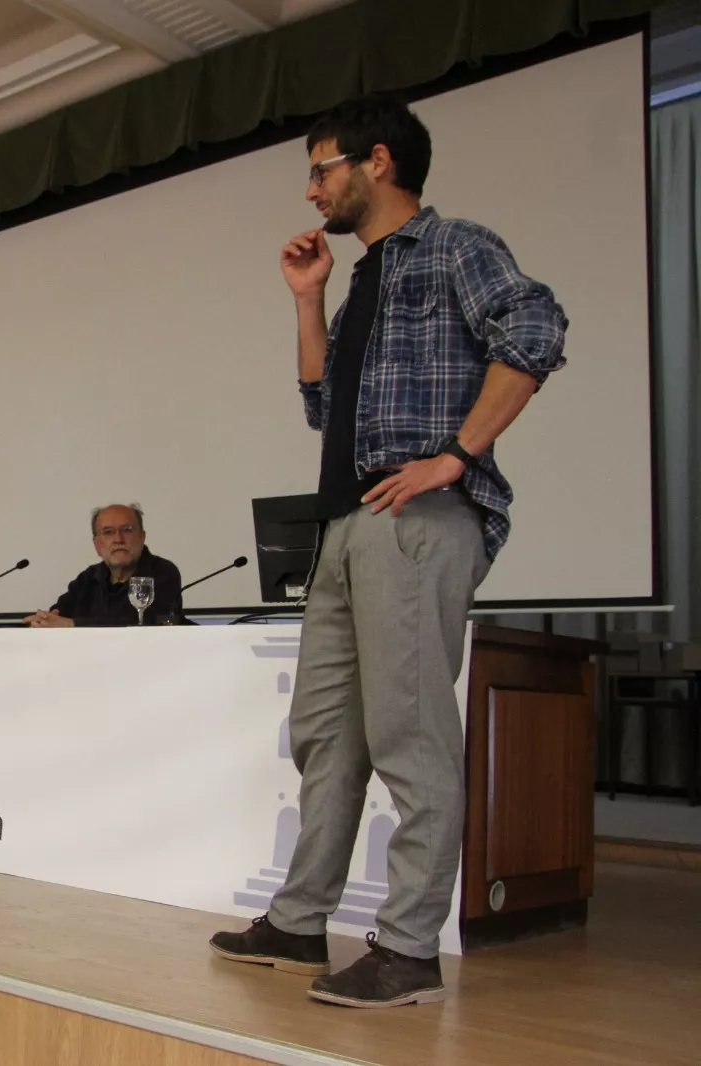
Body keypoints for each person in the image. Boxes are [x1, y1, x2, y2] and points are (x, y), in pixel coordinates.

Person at [209, 97, 567, 1007]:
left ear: (377, 160)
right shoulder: (366, 275)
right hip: (342, 526)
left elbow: (536, 330)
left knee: (411, 736)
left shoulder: (455, 247)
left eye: (322, 167)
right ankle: (298, 924)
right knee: (325, 737)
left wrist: (457, 454)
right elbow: (323, 406)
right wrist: (309, 299)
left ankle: (409, 947)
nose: (312, 186)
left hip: (416, 524)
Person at [24, 504, 184, 627]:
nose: (118, 539)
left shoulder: (163, 572)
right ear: (97, 545)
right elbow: (57, 615)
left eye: (127, 530)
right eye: (108, 532)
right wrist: (43, 621)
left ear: (142, 537)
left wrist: (72, 624)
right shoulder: (87, 579)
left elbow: (145, 622)